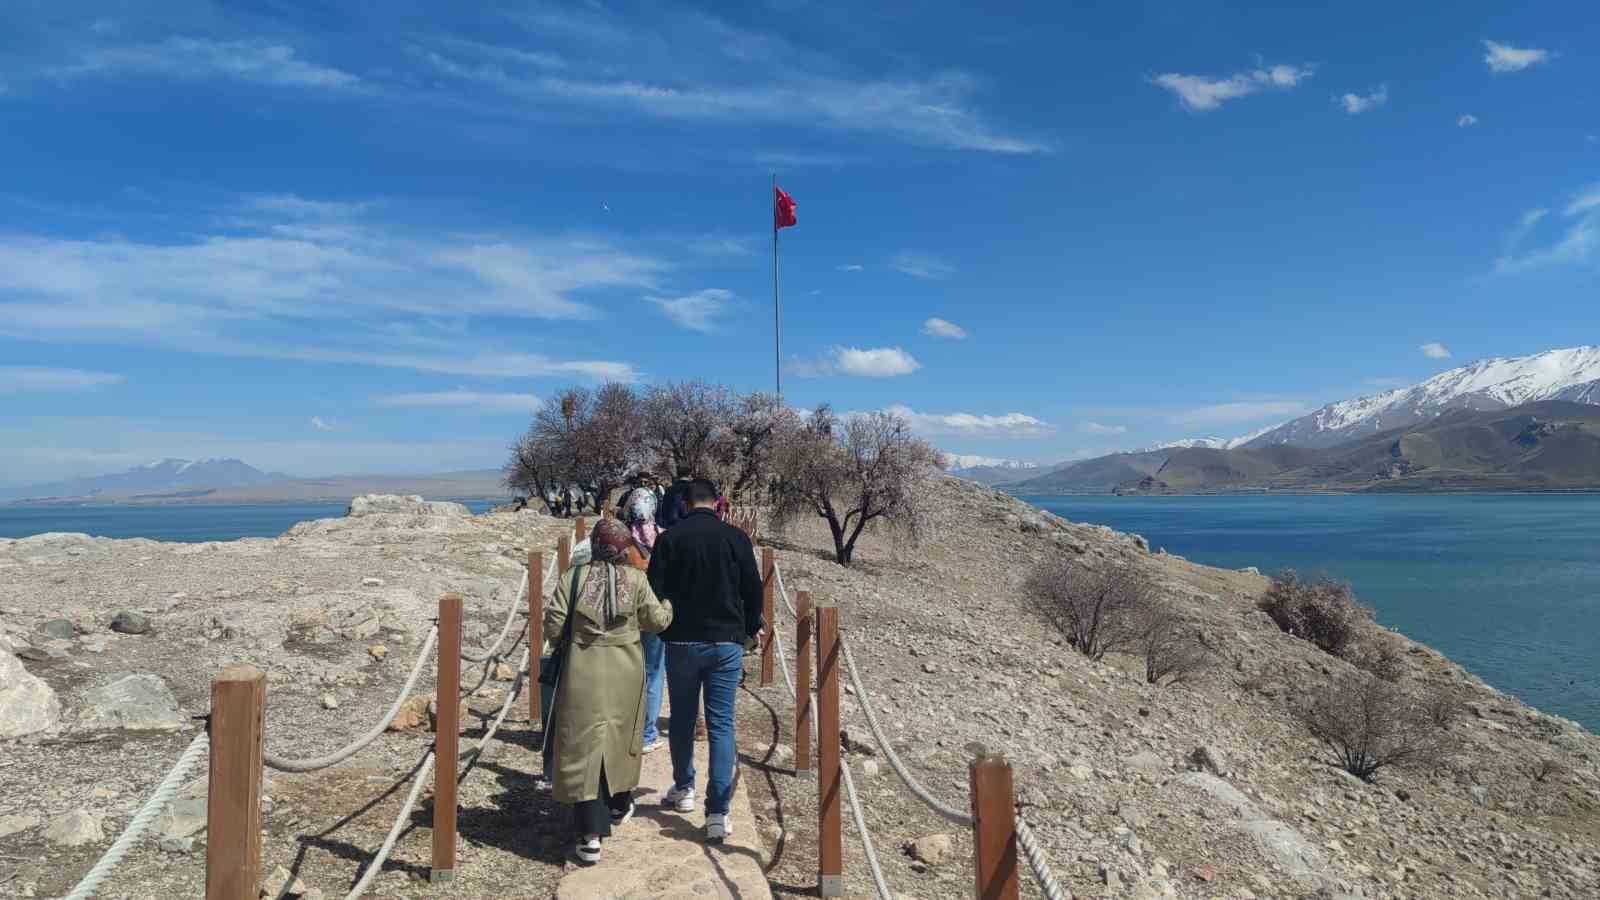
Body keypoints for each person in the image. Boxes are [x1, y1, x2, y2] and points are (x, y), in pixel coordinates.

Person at [543, 518, 674, 864]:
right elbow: (657, 621)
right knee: (619, 738)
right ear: (624, 548)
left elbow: (554, 626)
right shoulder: (636, 578)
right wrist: (670, 606)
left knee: (583, 743)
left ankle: (589, 834)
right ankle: (618, 804)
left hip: (581, 671)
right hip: (625, 672)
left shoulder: (573, 578)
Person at [645, 478, 763, 842]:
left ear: (683, 503)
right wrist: (748, 629)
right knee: (722, 724)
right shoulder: (736, 538)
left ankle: (684, 788)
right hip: (725, 642)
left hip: (680, 641)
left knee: (682, 718)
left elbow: (655, 591)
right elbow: (753, 590)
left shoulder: (668, 540)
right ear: (719, 501)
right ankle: (718, 811)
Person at [620, 486, 667, 753]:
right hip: (653, 616)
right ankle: (647, 733)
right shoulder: (664, 537)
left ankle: (622, 729)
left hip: (623, 617)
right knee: (653, 673)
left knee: (624, 671)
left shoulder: (620, 541)